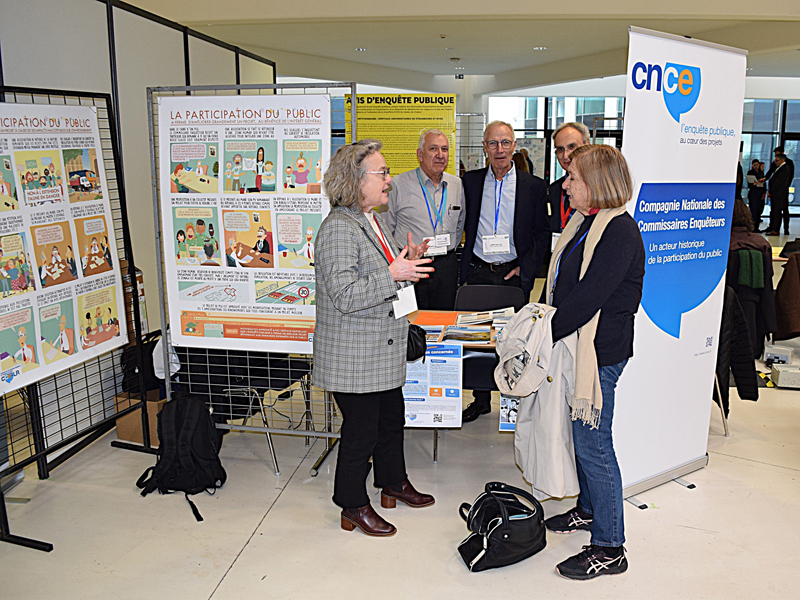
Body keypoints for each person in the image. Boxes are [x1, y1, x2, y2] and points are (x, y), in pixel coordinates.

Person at [313, 139, 435, 537]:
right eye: (381, 173)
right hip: (355, 355)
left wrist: (406, 262)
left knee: (390, 422)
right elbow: (345, 295)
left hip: (380, 350)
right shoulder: (338, 229)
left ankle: (393, 482)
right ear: (355, 180)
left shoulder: (371, 220)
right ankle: (351, 504)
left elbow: (382, 275)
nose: (389, 180)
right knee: (360, 434)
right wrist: (393, 273)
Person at [541, 144, 644, 580]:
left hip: (599, 356)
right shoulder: (585, 223)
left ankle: (610, 546)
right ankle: (587, 510)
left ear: (597, 184)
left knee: (594, 445)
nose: (565, 185)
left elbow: (588, 299)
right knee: (582, 438)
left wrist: (539, 334)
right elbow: (562, 284)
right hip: (579, 349)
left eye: (574, 178)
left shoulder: (618, 232)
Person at [460, 120, 549, 422]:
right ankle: (480, 399)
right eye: (493, 143)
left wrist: (526, 267)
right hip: (479, 269)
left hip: (513, 273)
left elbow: (541, 234)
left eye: (505, 142)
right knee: (478, 337)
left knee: (514, 339)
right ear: (484, 147)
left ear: (514, 145)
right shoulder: (470, 183)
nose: (499, 149)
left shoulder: (533, 186)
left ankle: (513, 401)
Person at [385, 128, 465, 310]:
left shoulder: (456, 184)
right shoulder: (398, 184)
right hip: (412, 264)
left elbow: (460, 224)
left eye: (444, 149)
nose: (440, 155)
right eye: (433, 149)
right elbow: (386, 229)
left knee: (444, 317)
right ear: (420, 154)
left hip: (446, 265)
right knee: (411, 319)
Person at [549, 122, 591, 234]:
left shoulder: (600, 188)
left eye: (572, 147)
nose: (565, 156)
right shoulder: (554, 189)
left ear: (587, 145)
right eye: (560, 149)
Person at [763, 153, 792, 236]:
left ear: (781, 160)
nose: (775, 162)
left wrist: (771, 191)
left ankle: (776, 229)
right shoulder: (779, 168)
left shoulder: (785, 168)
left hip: (778, 194)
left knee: (777, 211)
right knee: (774, 211)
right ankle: (773, 228)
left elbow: (778, 182)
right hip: (776, 193)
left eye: (777, 160)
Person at [746, 158, 766, 231]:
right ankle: (752, 227)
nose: (756, 166)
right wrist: (755, 184)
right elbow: (749, 183)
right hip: (754, 193)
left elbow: (764, 183)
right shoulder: (750, 172)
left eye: (757, 165)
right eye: (754, 165)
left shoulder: (761, 173)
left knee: (759, 210)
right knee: (753, 210)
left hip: (760, 193)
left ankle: (756, 227)